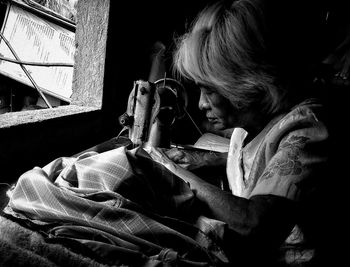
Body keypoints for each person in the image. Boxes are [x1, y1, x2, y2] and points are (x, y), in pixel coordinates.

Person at [148, 0, 333, 266]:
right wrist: (212, 160)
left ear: (246, 82)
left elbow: (255, 225)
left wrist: (171, 171)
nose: (201, 104)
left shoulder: (307, 128)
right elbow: (262, 162)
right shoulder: (247, 128)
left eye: (209, 89)